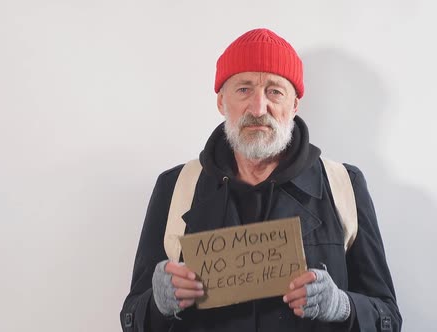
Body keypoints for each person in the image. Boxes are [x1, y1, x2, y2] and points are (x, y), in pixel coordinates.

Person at [120, 28, 401, 332]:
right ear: (221, 102)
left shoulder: (344, 185)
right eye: (244, 89)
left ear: (294, 105)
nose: (258, 108)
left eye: (274, 91)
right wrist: (158, 305)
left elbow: (388, 318)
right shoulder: (175, 187)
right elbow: (132, 319)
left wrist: (343, 307)